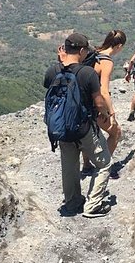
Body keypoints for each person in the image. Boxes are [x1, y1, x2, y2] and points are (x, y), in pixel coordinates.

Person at [44, 33, 113, 218]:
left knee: (69, 168)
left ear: (64, 49)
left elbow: (52, 88)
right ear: (82, 51)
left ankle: (72, 203)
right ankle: (92, 205)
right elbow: (98, 102)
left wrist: (60, 63)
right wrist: (106, 114)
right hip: (84, 128)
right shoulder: (87, 73)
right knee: (104, 164)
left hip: (62, 129)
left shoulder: (52, 71)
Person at [80, 30, 127, 179]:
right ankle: (105, 166)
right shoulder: (106, 61)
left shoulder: (93, 55)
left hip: (82, 103)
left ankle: (86, 166)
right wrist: (111, 113)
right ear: (119, 45)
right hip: (97, 105)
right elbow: (104, 91)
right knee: (116, 132)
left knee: (87, 134)